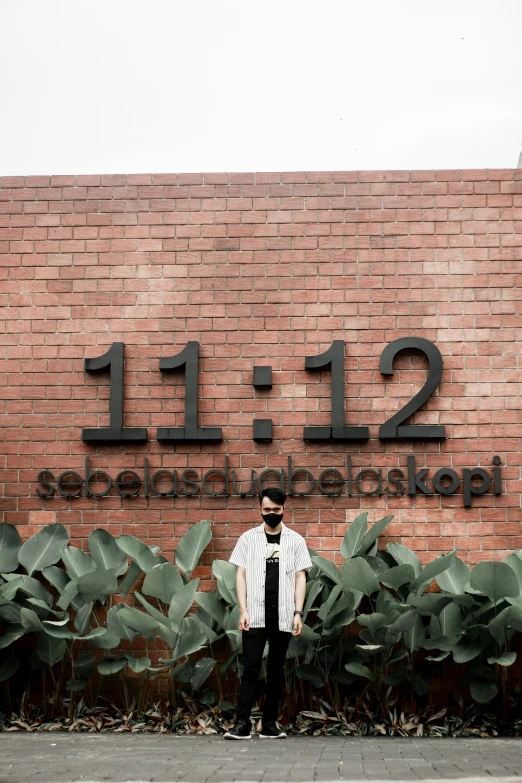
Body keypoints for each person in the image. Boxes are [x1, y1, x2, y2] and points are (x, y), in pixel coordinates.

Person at [223, 487, 312, 740]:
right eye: (266, 510)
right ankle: (242, 725)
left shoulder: (295, 540)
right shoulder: (248, 539)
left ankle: (270, 725)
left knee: (276, 670)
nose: (271, 514)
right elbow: (240, 575)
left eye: (276, 510)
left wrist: (298, 612)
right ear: (260, 510)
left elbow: (300, 577)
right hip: (255, 614)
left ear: (284, 509)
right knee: (250, 668)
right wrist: (243, 610)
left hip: (283, 614)